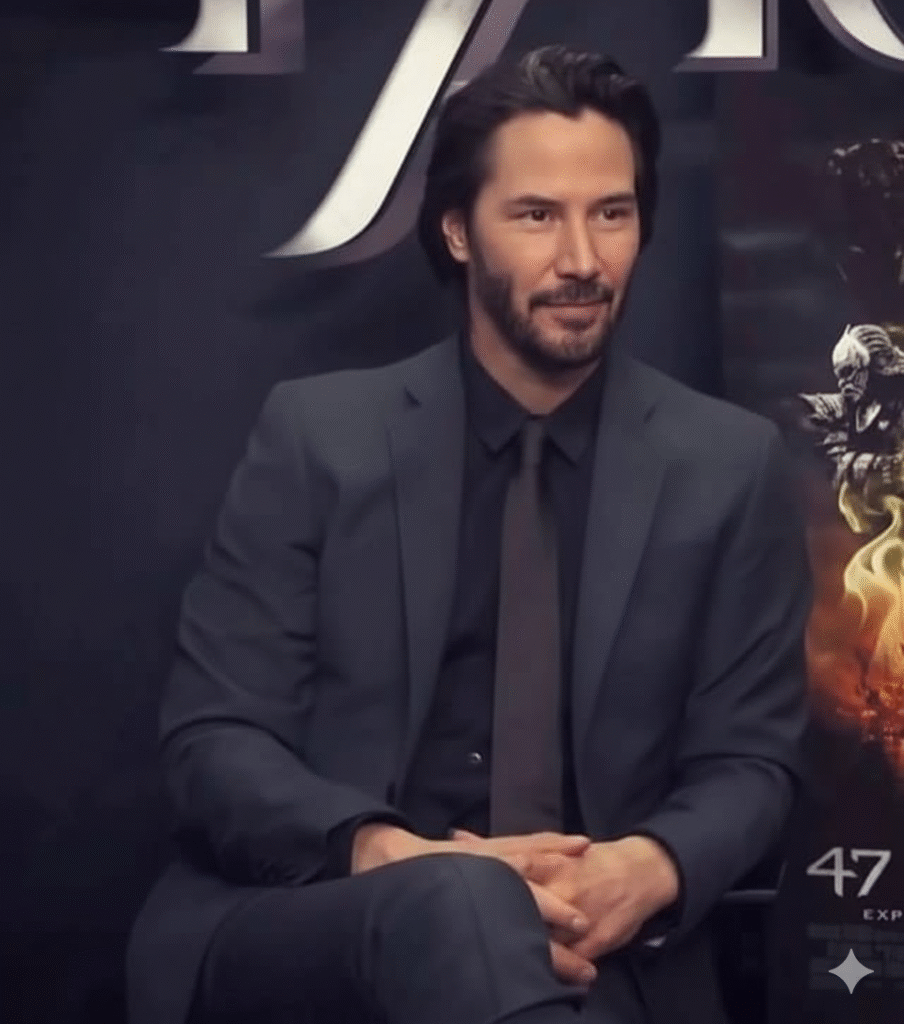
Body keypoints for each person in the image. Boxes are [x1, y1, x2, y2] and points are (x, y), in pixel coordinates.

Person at [126, 45, 812, 1024]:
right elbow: (213, 740)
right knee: (456, 904)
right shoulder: (318, 438)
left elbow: (754, 759)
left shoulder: (727, 465)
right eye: (536, 214)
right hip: (321, 915)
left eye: (610, 213)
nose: (581, 258)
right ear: (456, 230)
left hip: (595, 944)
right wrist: (392, 855)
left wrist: (647, 868)